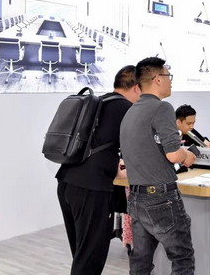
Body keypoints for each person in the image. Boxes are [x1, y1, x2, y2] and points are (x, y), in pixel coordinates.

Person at [56, 65, 141, 275]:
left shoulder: (100, 102)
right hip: (91, 188)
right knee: (90, 260)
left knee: (82, 254)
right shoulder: (127, 109)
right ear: (137, 88)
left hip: (67, 181)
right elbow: (136, 150)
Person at [120, 57, 196, 275]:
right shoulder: (162, 108)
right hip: (161, 198)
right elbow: (173, 154)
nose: (170, 81)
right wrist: (187, 155)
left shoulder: (131, 111)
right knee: (182, 258)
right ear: (157, 79)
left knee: (141, 262)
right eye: (168, 76)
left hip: (136, 197)